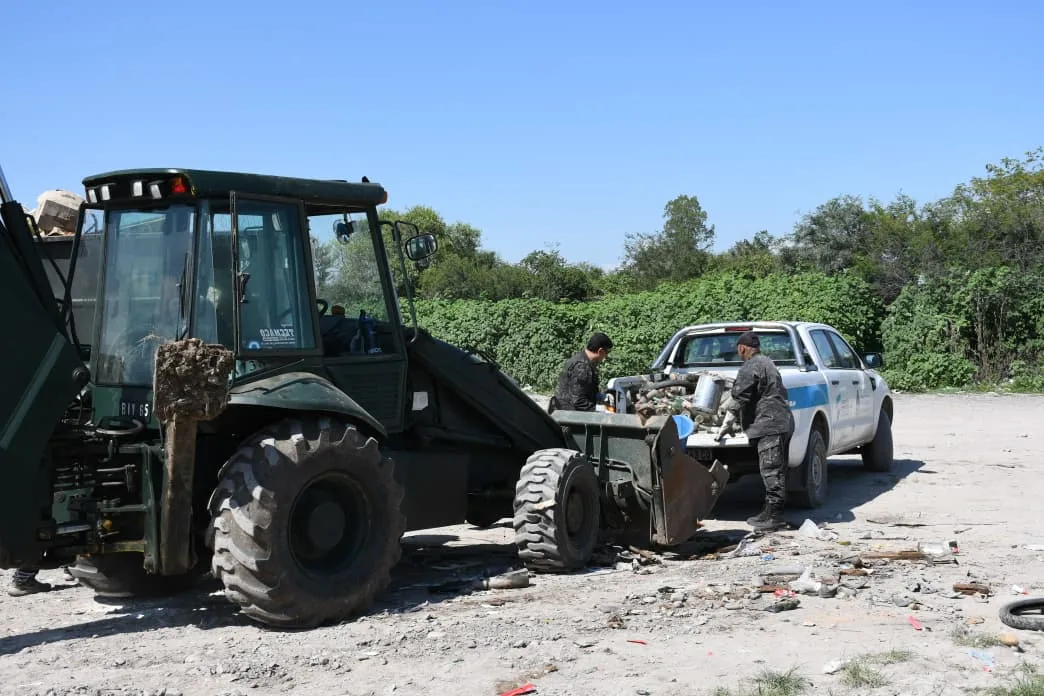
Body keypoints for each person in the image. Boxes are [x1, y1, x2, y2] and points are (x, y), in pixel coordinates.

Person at [716, 331, 795, 532]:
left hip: (770, 424)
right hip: (781, 421)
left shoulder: (750, 366)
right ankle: (768, 512)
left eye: (738, 350)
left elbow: (740, 396)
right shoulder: (767, 362)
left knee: (771, 471)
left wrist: (727, 421)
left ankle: (775, 518)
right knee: (776, 469)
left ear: (742, 348)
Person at [550, 332, 613, 412]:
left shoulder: (585, 360)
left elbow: (587, 390)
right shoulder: (581, 366)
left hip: (570, 410)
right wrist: (600, 410)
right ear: (600, 351)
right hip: (567, 413)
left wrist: (601, 396)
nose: (606, 356)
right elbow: (578, 401)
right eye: (606, 352)